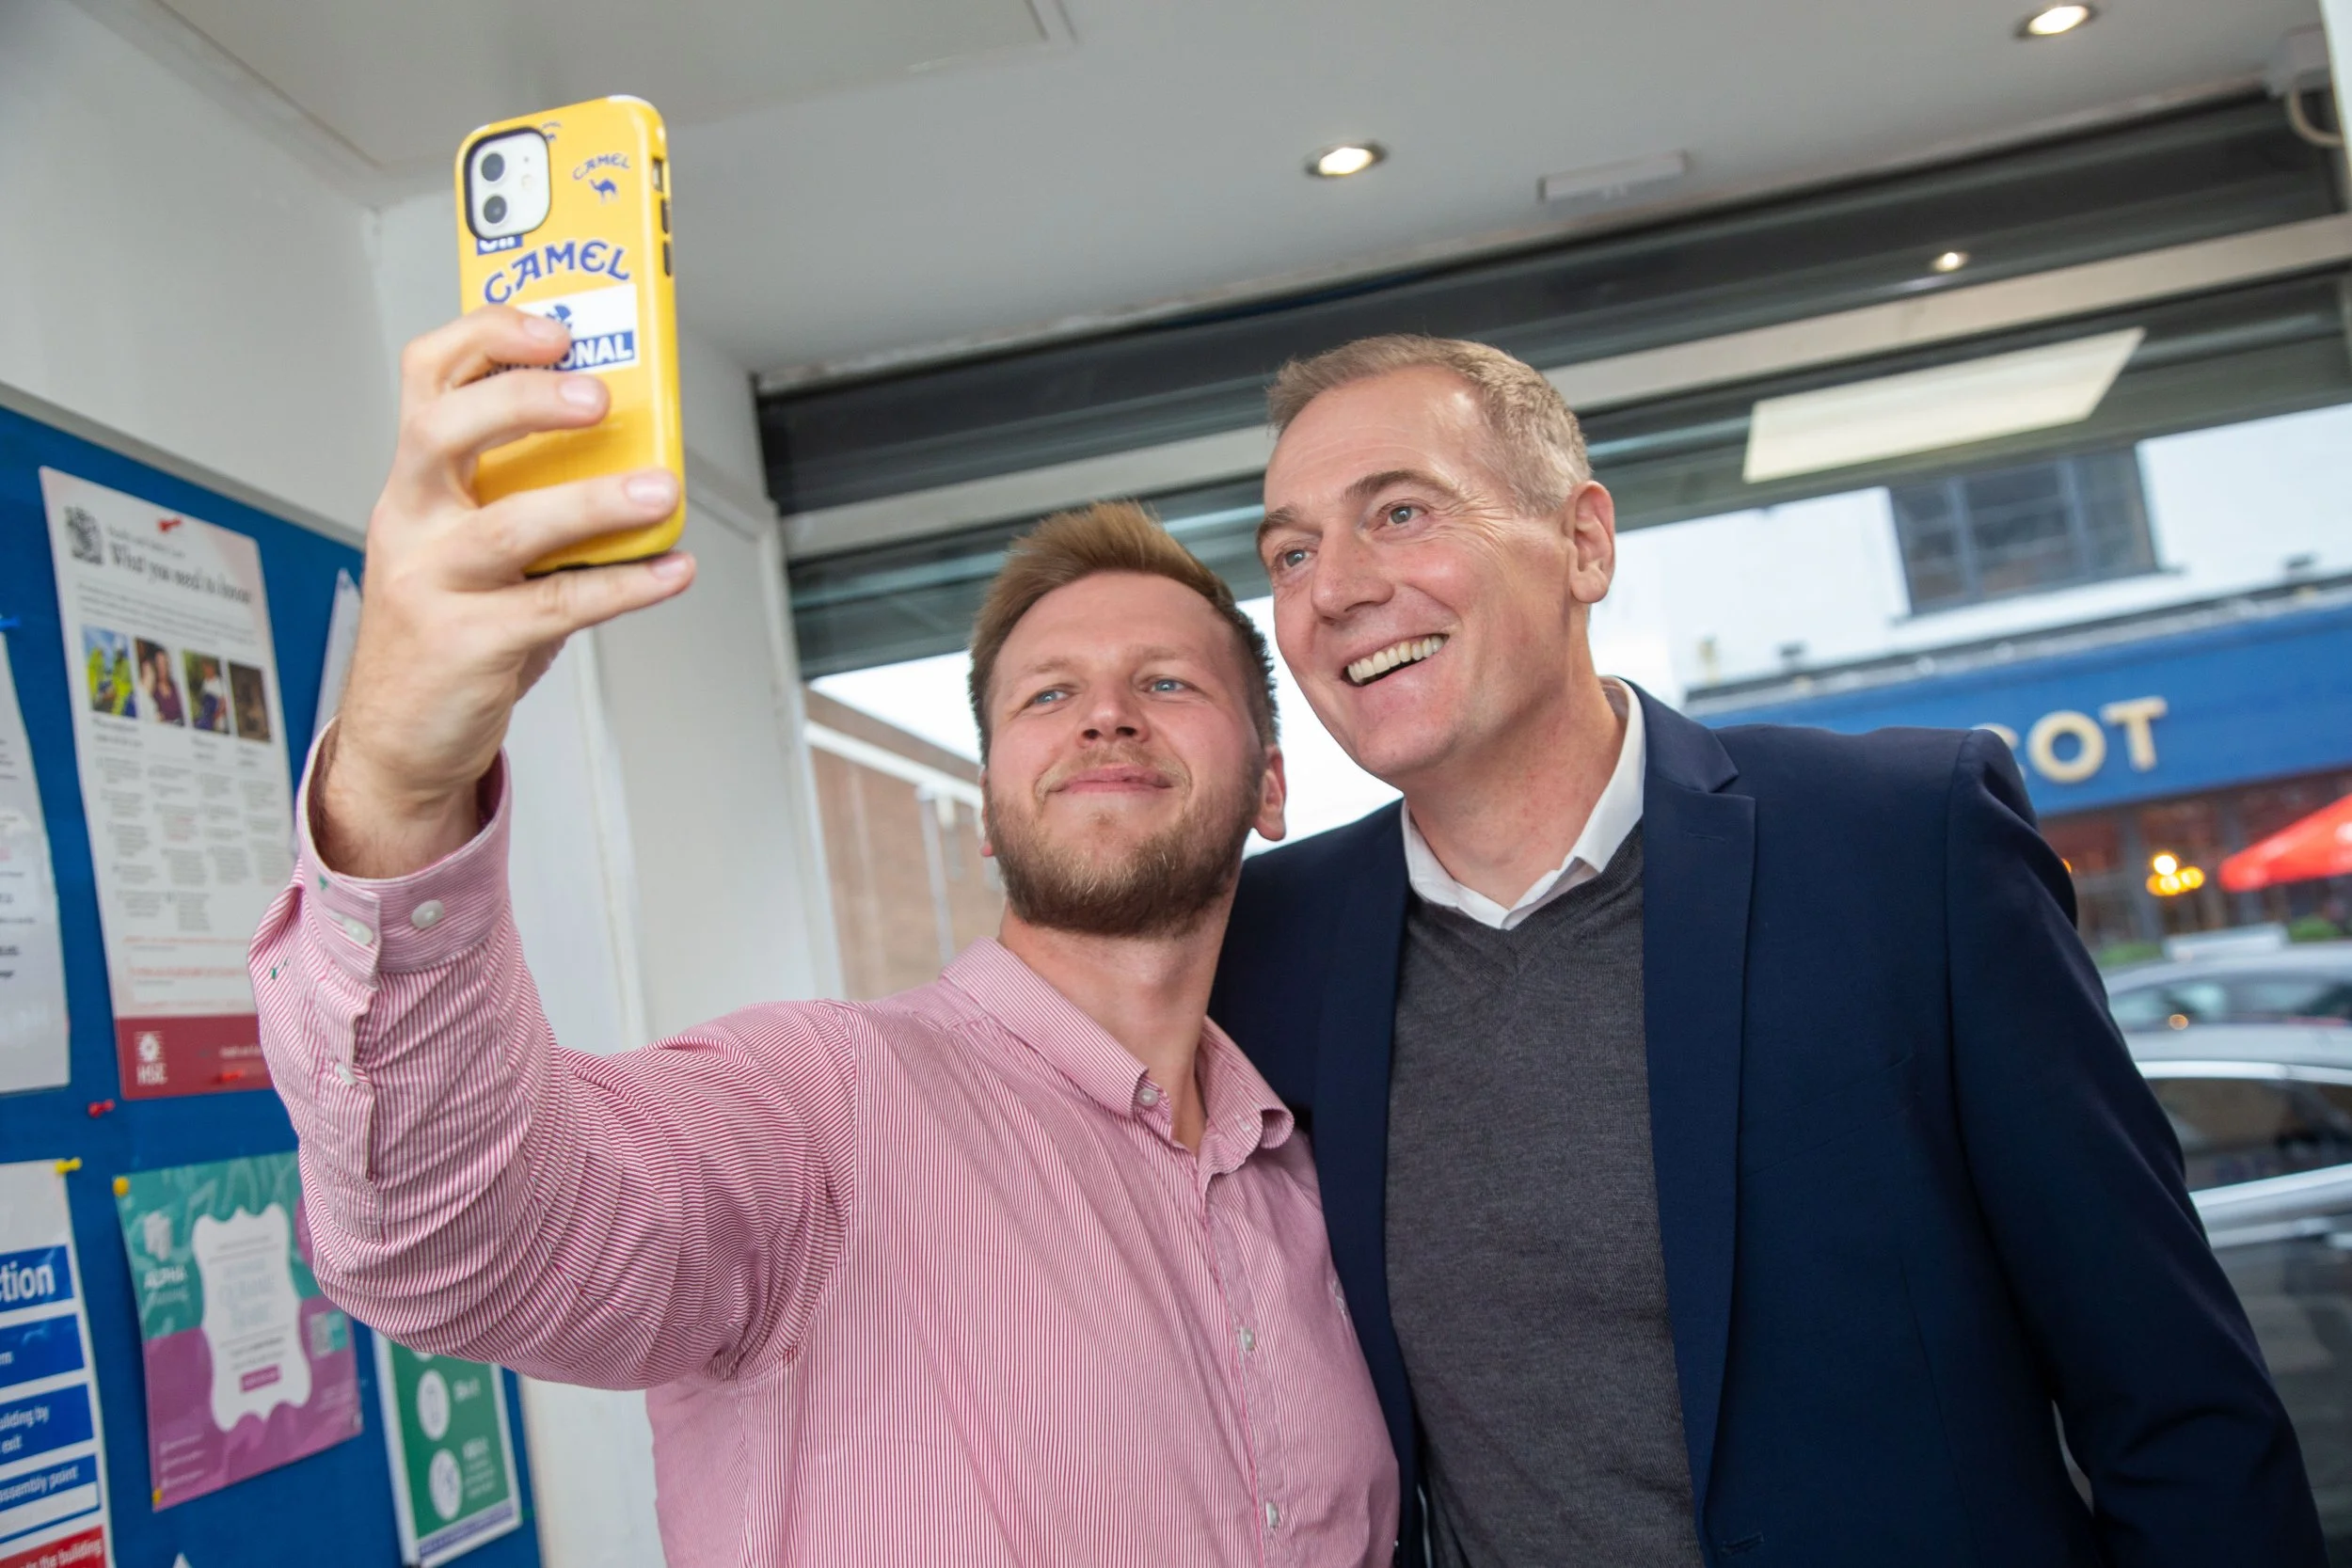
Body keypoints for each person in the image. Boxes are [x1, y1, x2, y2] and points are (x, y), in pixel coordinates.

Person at [251, 308, 1396, 1567]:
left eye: (1168, 683)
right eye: (1048, 694)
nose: (1107, 716)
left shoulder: (1307, 1174)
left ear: (1273, 785)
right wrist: (403, 792)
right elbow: (457, 1241)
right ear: (989, 815)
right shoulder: (820, 1108)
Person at [1212, 334, 2325, 1567]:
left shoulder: (1907, 844)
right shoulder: (1270, 947)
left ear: (1584, 542)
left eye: (1400, 511)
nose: (1335, 587)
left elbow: (2176, 1398)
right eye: (1293, 553)